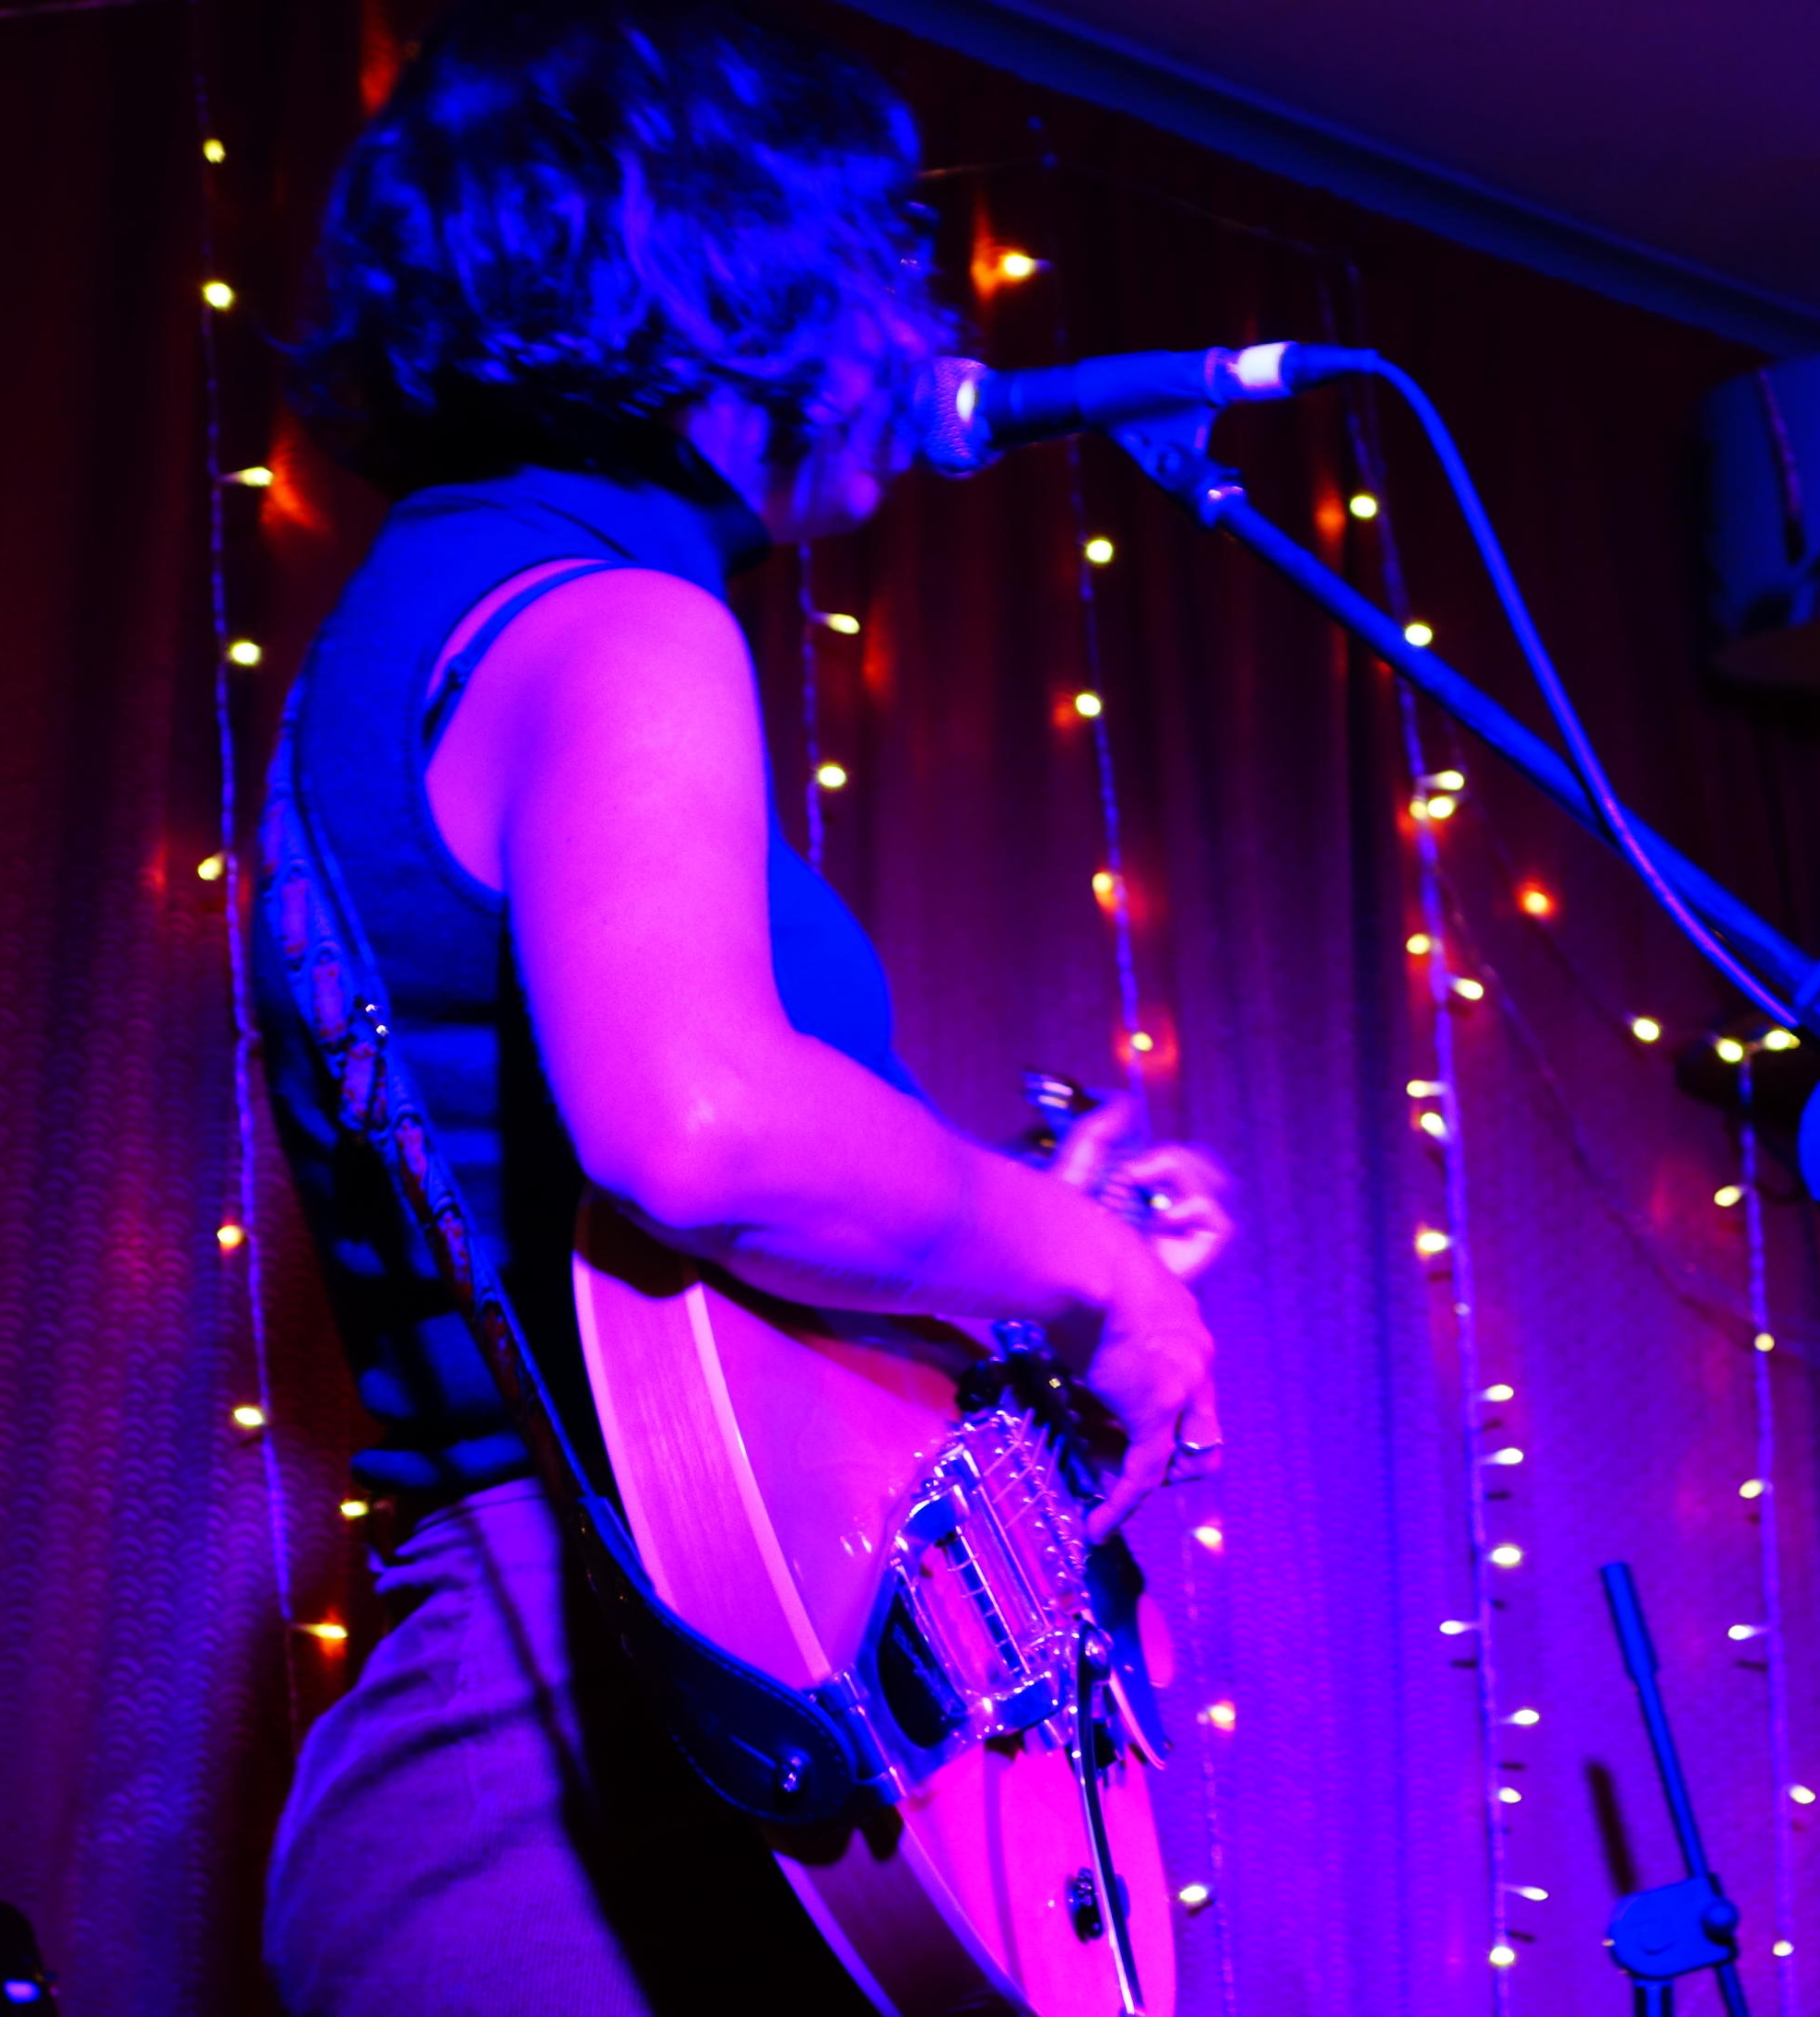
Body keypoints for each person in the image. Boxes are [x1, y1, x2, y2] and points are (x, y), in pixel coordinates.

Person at [250, 4, 1231, 2010]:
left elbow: (637, 1251)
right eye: (879, 263)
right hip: (591, 1798)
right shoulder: (617, 618)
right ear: (719, 276)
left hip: (528, 1749)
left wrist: (1004, 1233)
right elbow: (695, 1131)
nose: (925, 328)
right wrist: (1093, 1272)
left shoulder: (438, 610)